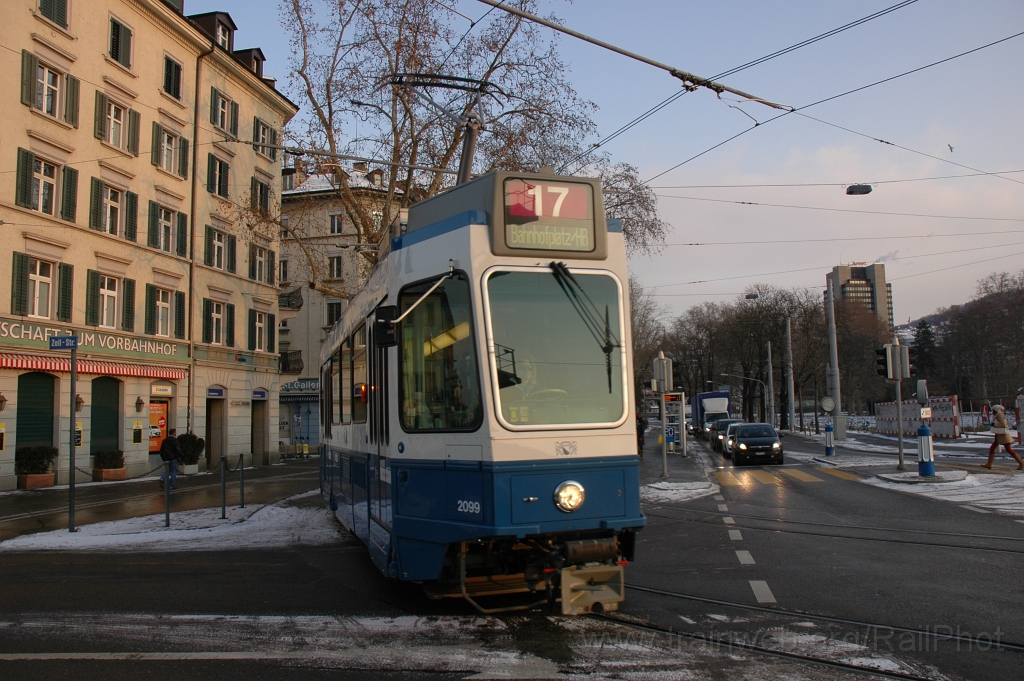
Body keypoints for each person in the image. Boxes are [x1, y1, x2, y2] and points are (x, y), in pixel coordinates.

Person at [982, 405, 1024, 470]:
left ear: (996, 410)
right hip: (999, 435)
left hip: (1003, 435)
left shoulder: (999, 415)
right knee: (992, 448)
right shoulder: (997, 415)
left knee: (1008, 449)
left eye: (993, 410)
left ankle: (1021, 463)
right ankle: (989, 464)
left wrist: (995, 425)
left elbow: (1004, 424)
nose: (992, 411)